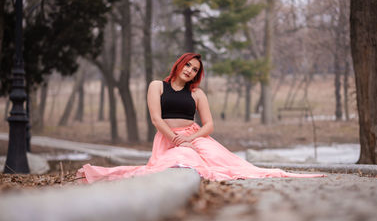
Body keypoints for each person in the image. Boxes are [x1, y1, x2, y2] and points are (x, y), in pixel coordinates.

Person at [76, 53, 325, 183]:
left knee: (229, 166)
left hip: (195, 136)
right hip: (167, 138)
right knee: (179, 160)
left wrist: (192, 138)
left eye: (194, 70)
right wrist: (175, 139)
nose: (190, 71)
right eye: (188, 66)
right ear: (179, 64)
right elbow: (155, 119)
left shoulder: (197, 93)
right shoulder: (156, 86)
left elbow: (209, 125)